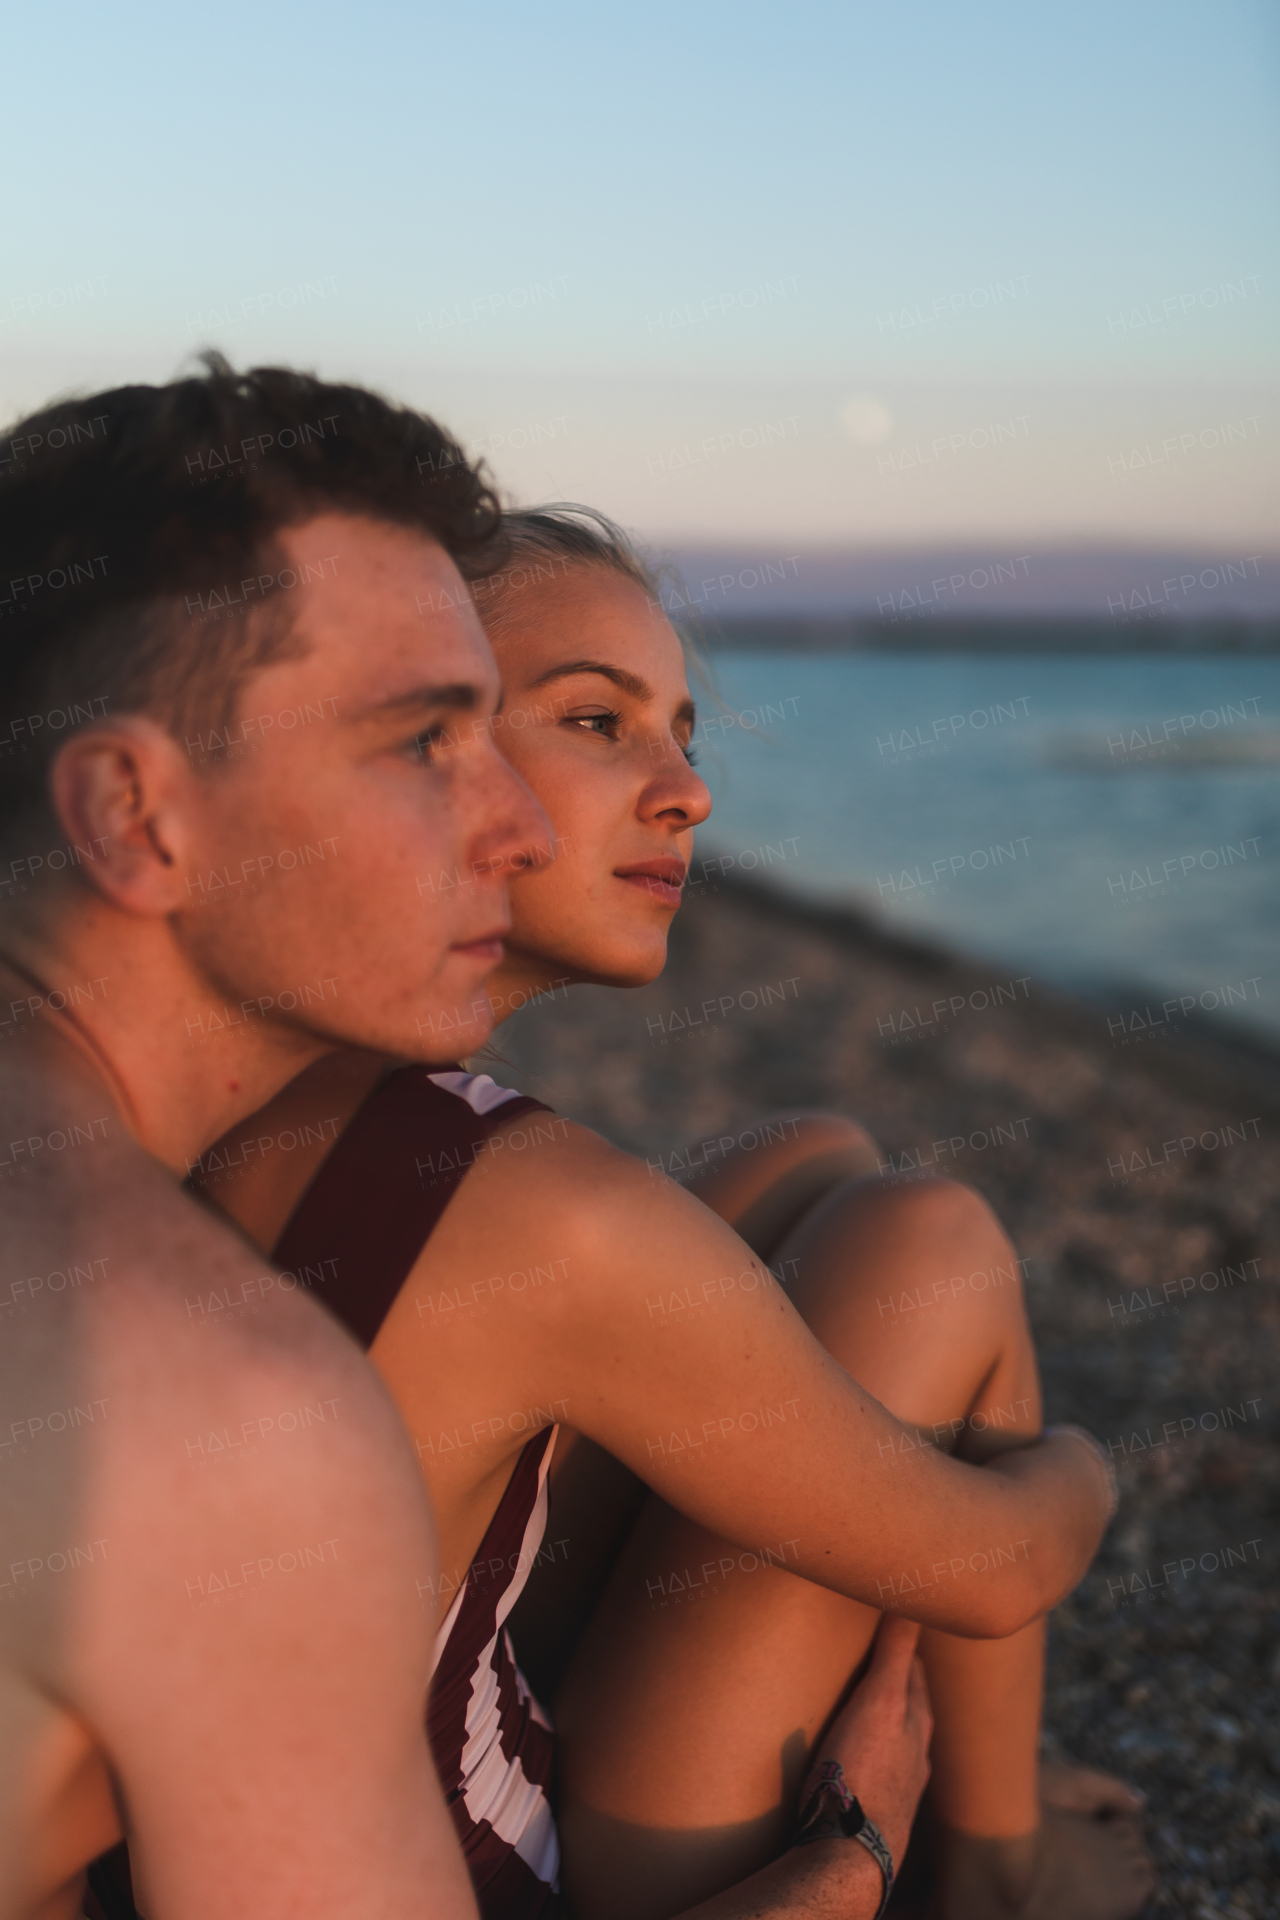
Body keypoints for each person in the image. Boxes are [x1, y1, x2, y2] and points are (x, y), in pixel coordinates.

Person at [202, 510, 1147, 1920]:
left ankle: (983, 1800)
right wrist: (1084, 1463)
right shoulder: (527, 1207)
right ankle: (992, 1868)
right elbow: (1000, 1567)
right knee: (930, 1243)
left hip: (347, 1752)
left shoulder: (259, 1075)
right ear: (413, 752)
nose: (690, 793)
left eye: (684, 735)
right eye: (598, 720)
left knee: (815, 1158)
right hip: (517, 1877)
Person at [0, 357, 551, 1920]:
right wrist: (840, 1874)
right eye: (425, 741)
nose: (525, 824)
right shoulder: (223, 1411)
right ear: (135, 815)